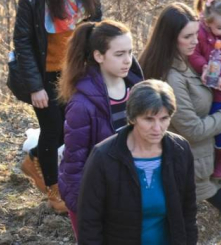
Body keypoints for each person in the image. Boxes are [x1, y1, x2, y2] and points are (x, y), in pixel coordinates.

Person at [13, 0, 101, 212]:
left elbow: (96, 23)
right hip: (46, 72)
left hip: (76, 68)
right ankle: (54, 191)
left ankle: (34, 158)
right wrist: (35, 86)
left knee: (68, 128)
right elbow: (23, 40)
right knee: (52, 129)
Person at [77, 79, 198, 244]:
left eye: (164, 118)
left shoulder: (180, 150)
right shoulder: (104, 157)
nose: (157, 128)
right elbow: (89, 222)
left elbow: (188, 210)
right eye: (149, 119)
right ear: (133, 117)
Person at [57, 19, 143, 238]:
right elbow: (74, 162)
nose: (127, 60)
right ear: (98, 56)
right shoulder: (81, 105)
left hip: (130, 194)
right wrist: (82, 208)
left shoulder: (138, 90)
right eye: (119, 54)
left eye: (130, 52)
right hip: (94, 198)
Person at [139, 3, 221, 213]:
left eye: (196, 33)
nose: (195, 41)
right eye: (187, 36)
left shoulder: (186, 63)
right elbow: (192, 130)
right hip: (190, 166)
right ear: (170, 37)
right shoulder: (172, 77)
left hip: (202, 161)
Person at [189, 0, 221, 177]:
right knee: (217, 131)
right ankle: (217, 161)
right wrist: (203, 68)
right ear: (207, 23)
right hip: (211, 87)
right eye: (219, 28)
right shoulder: (200, 34)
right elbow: (194, 55)